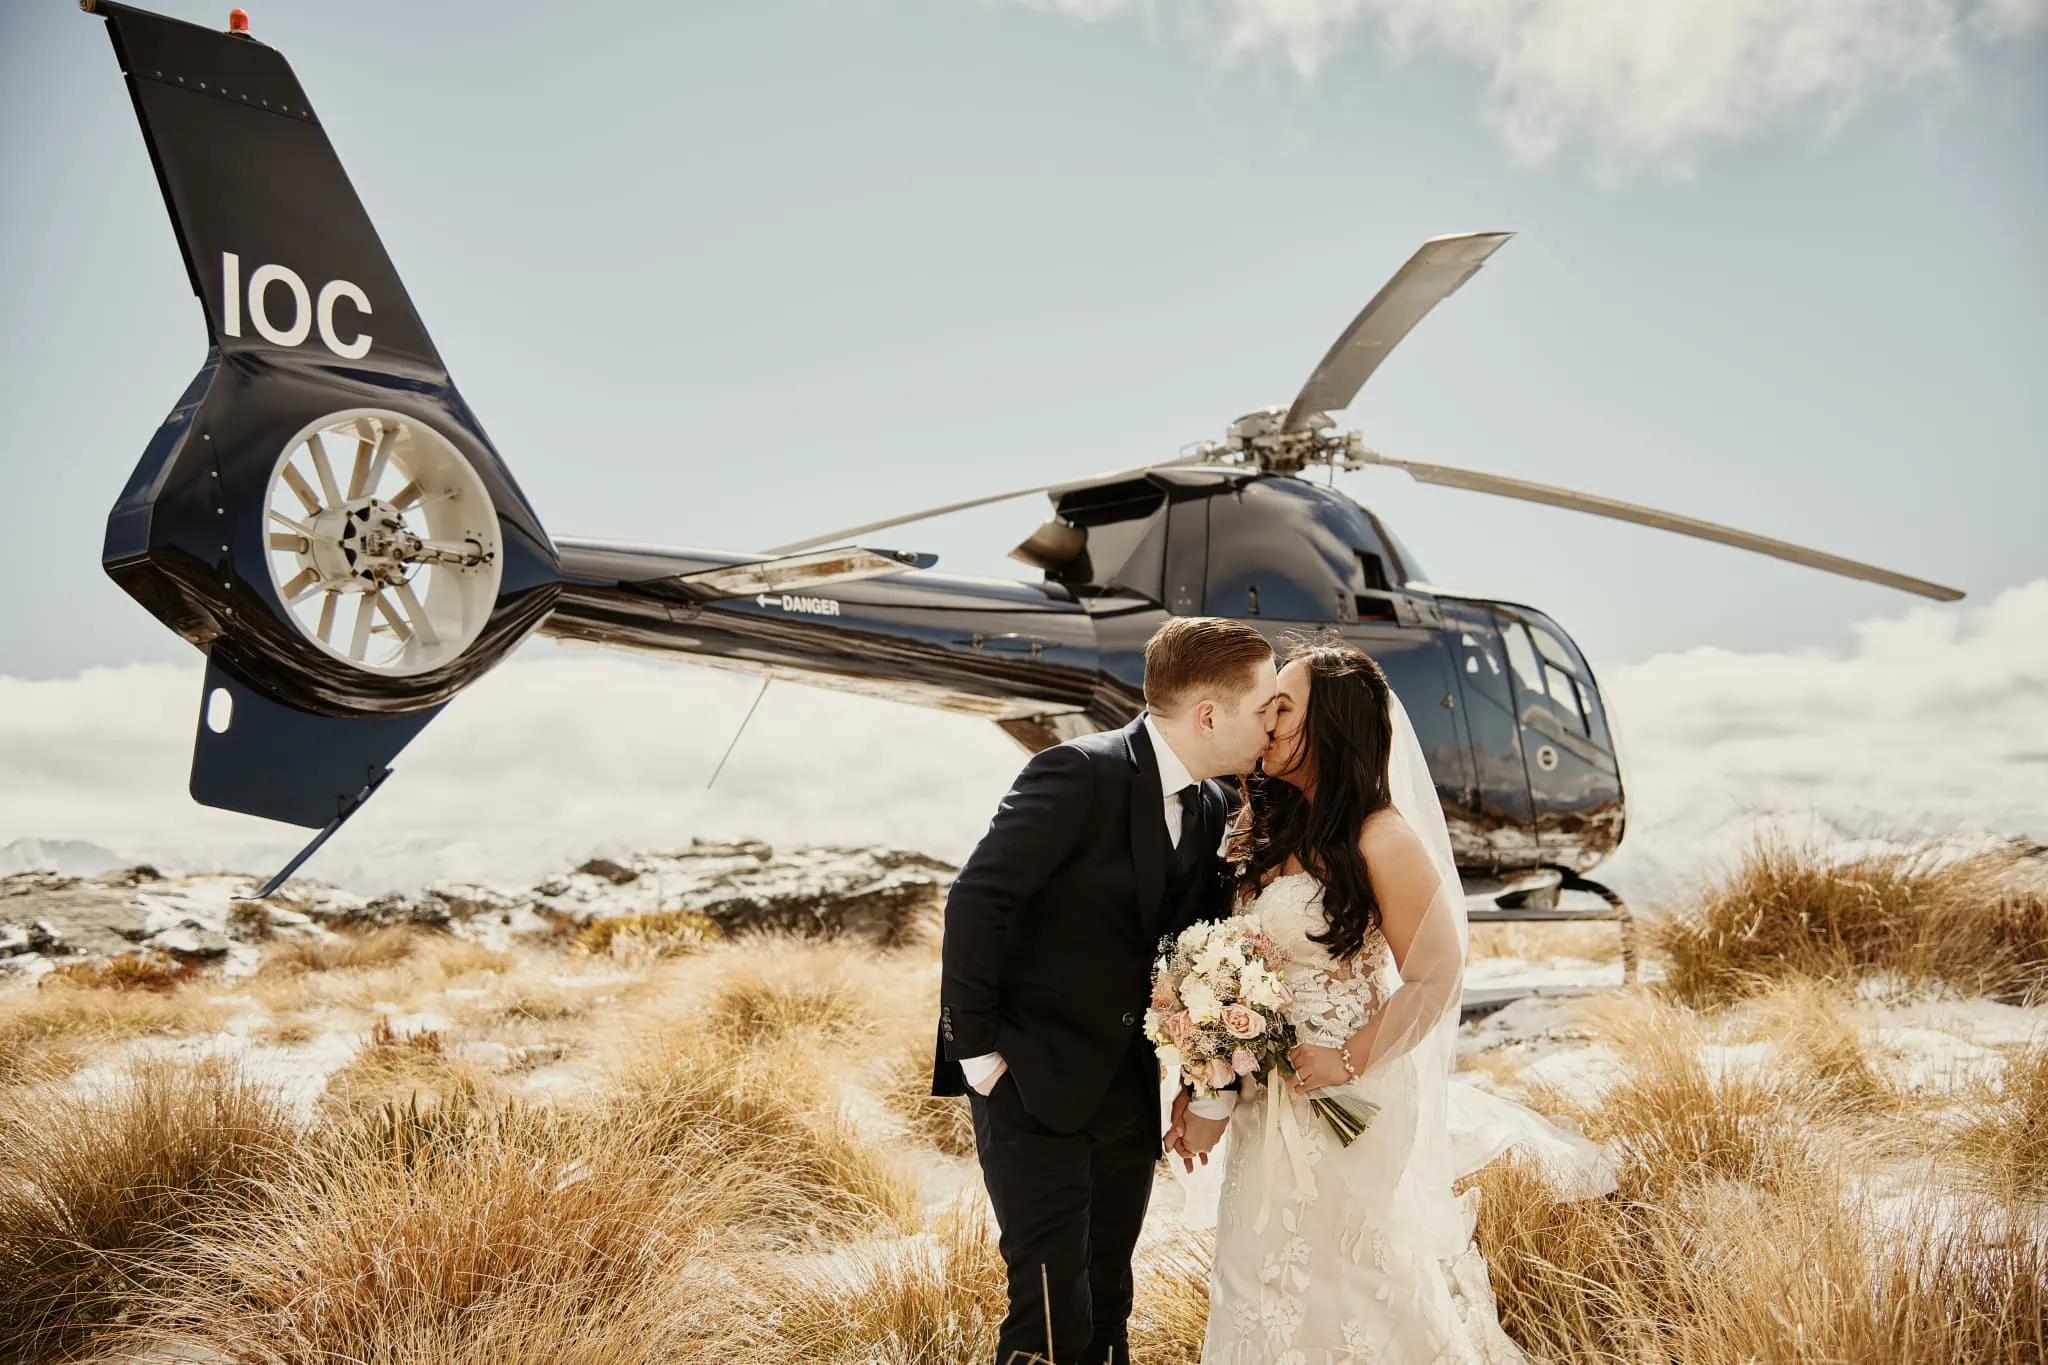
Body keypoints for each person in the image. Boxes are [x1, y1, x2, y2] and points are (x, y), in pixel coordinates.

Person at [1198, 639, 1616, 1364]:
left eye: (1284, 707)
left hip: (1349, 1104)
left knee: (1345, 1291)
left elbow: (1435, 973)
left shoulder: (1381, 837)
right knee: (1252, 1280)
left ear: (1331, 725)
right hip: (1270, 1107)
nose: (1267, 722)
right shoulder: (1269, 828)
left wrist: (1347, 1058)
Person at [932, 616, 1277, 1365]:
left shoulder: (1215, 807)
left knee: (1108, 1300)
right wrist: (981, 1055)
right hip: (1028, 1077)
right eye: (1264, 707)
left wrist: (1199, 1080)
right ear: (1209, 714)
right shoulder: (1075, 771)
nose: (1272, 724)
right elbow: (977, 900)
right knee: (1051, 1311)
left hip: (1125, 1093)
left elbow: (1197, 959)